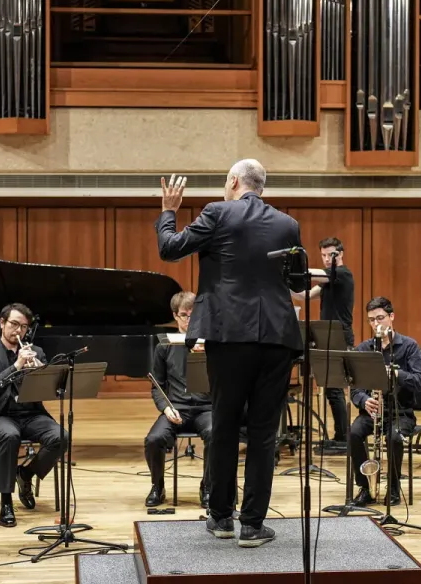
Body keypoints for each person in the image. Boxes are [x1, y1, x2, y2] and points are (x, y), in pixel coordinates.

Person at [155, 159, 305, 548]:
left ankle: (221, 517)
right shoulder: (288, 224)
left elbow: (169, 249)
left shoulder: (217, 213)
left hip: (228, 335)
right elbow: (296, 281)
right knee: (263, 432)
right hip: (276, 338)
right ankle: (252, 525)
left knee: (223, 425)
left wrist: (168, 212)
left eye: (226, 182)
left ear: (234, 181)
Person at [0, 303, 68, 527]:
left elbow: (51, 390)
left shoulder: (37, 352)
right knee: (9, 436)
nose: (19, 330)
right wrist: (17, 365)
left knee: (61, 436)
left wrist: (41, 372)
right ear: (2, 323)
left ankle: (26, 474)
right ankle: (6, 501)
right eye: (14, 324)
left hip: (31, 414)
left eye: (24, 327)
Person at [348, 296, 421, 507]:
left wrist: (396, 373)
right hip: (372, 412)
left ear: (391, 317)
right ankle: (366, 487)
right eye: (371, 320)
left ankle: (392, 488)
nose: (376, 324)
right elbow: (354, 388)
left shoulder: (409, 346)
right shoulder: (364, 349)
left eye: (380, 318)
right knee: (354, 433)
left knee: (394, 438)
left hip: (401, 413)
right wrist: (364, 400)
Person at [144, 291, 213, 508]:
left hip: (206, 409)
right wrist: (166, 408)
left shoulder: (212, 344)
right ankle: (158, 486)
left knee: (216, 434)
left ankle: (208, 487)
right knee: (153, 439)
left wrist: (207, 356)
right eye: (184, 315)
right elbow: (157, 386)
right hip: (177, 409)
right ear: (175, 316)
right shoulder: (164, 346)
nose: (189, 320)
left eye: (194, 315)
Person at [292, 237, 354, 450]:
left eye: (331, 255)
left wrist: (292, 270)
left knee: (335, 389)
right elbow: (304, 295)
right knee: (330, 389)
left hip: (339, 337)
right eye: (324, 255)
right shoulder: (328, 280)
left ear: (341, 253)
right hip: (327, 337)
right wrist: (281, 285)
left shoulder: (343, 275)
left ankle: (343, 438)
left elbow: (312, 274)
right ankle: (340, 436)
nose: (327, 259)